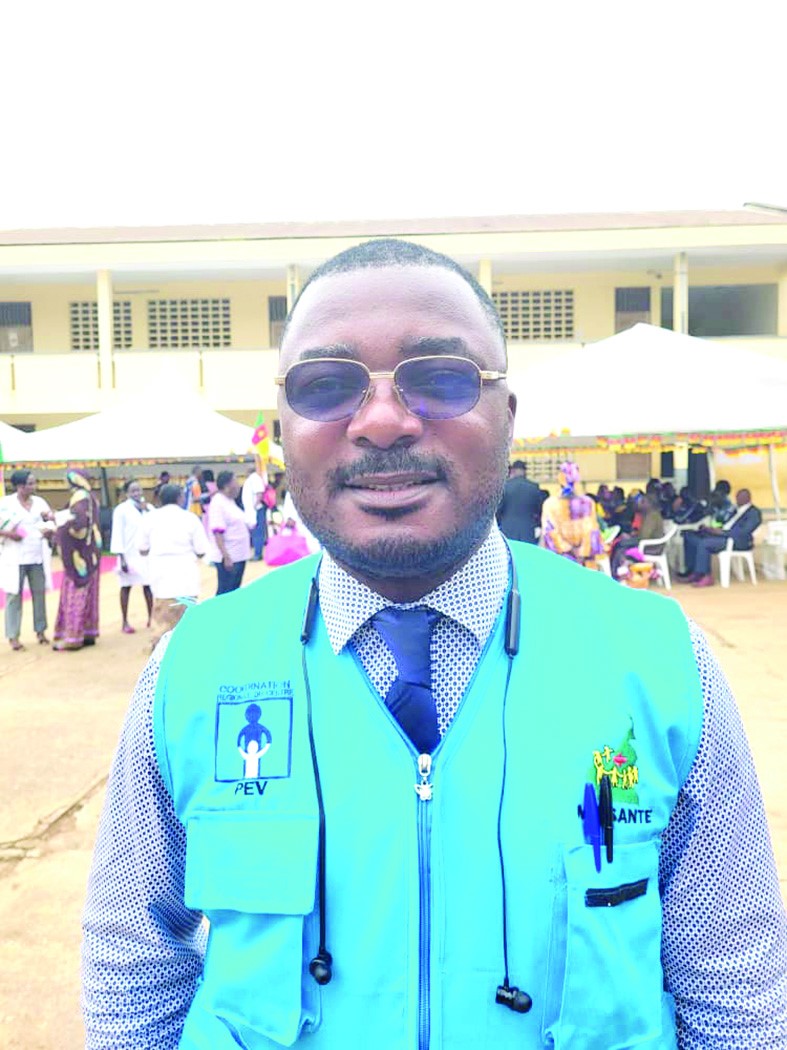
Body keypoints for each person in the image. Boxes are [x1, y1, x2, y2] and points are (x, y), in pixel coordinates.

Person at [82, 240, 787, 1049]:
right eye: (326, 385)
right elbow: (133, 961)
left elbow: (735, 992)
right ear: (281, 430)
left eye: (441, 378)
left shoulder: (657, 663)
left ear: (508, 418)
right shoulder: (195, 667)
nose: (382, 420)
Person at [137, 483, 208, 648]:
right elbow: (201, 550)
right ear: (180, 498)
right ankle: (186, 649)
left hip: (161, 574)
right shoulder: (190, 518)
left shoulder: (149, 518)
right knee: (186, 614)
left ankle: (160, 651)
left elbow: (141, 548)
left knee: (162, 615)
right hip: (185, 574)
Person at [0, 469, 55, 650]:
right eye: (30, 483)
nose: (34, 486)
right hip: (15, 557)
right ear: (20, 486)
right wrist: (10, 534)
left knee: (39, 594)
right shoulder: (6, 504)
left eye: (34, 483)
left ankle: (41, 631)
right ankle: (13, 636)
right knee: (13, 596)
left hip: (36, 555)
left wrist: (49, 528)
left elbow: (49, 522)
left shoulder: (39, 503)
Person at [53, 469, 102, 651]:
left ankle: (73, 637)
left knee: (75, 594)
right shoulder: (91, 497)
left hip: (79, 556)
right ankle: (88, 633)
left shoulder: (79, 497)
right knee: (89, 594)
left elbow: (78, 525)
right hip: (91, 553)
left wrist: (57, 528)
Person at [678, 488, 762, 587]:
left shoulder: (754, 513)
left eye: (740, 497)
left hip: (737, 541)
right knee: (690, 536)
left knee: (704, 543)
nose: (737, 499)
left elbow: (744, 532)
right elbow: (725, 523)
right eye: (737, 497)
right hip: (723, 535)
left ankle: (705, 575)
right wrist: (712, 529)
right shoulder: (735, 510)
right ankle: (693, 570)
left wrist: (722, 533)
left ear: (748, 498)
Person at [540, 461, 606, 569]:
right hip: (585, 562)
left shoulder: (550, 503)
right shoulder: (588, 502)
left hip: (560, 560)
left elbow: (549, 531)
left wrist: (567, 549)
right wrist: (582, 552)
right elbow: (592, 530)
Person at [109, 480, 153, 634]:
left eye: (139, 490)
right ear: (126, 493)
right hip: (128, 555)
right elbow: (117, 534)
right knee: (126, 587)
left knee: (148, 587)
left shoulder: (149, 508)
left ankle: (151, 618)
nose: (137, 493)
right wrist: (121, 558)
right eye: (133, 491)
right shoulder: (121, 510)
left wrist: (147, 510)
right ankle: (125, 621)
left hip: (146, 555)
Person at [207, 470, 251, 594]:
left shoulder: (229, 501)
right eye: (235, 481)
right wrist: (226, 557)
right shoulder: (218, 503)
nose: (238, 485)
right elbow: (218, 533)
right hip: (229, 557)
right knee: (226, 590)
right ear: (227, 486)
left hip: (239, 555)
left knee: (234, 590)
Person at [495, 460, 543, 543]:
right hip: (527, 530)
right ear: (525, 471)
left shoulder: (505, 486)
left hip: (507, 529)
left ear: (513, 471)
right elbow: (539, 510)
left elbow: (498, 510)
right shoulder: (534, 487)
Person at [241, 457, 275, 560]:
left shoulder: (255, 478)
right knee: (255, 532)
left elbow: (259, 493)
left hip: (257, 510)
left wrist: (255, 506)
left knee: (258, 532)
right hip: (252, 510)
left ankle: (258, 554)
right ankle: (257, 552)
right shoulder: (251, 479)